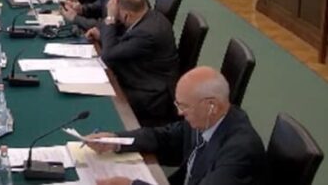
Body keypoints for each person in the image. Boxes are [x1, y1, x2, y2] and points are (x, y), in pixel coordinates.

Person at [86, 67, 267, 185]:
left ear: (211, 105)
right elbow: (163, 137)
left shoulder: (240, 150)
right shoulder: (205, 119)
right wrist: (115, 141)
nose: (180, 113)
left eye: (184, 106)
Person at [99, 0, 179, 123]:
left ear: (127, 15)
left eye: (118, 14)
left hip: (151, 93)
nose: (117, 17)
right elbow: (124, 41)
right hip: (144, 73)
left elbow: (108, 55)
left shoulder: (146, 33)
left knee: (104, 102)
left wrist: (110, 18)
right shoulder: (150, 16)